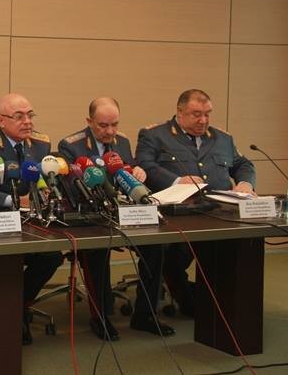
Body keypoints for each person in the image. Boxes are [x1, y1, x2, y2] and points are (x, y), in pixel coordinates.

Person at [58, 97, 173, 339]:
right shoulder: (71, 145)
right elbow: (72, 188)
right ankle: (100, 317)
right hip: (91, 216)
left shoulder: (123, 142)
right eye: (103, 125)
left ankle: (146, 314)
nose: (110, 131)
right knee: (98, 250)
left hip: (123, 213)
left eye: (115, 124)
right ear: (89, 121)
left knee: (156, 246)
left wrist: (137, 171)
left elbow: (126, 172)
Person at [136, 88, 256, 316]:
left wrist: (245, 183)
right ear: (180, 112)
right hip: (177, 217)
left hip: (219, 215)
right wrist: (178, 181)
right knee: (172, 257)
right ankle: (190, 303)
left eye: (207, 114)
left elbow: (244, 165)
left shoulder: (223, 138)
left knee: (236, 251)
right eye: (196, 114)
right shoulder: (155, 135)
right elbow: (144, 165)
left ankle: (226, 304)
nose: (203, 120)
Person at [0, 93, 64, 345]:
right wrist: (13, 201)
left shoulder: (40, 144)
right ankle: (8, 314)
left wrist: (45, 193)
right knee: (5, 259)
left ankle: (17, 306)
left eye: (30, 115)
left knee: (51, 255)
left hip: (29, 224)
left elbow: (41, 181)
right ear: (1, 120)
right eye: (19, 116)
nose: (27, 121)